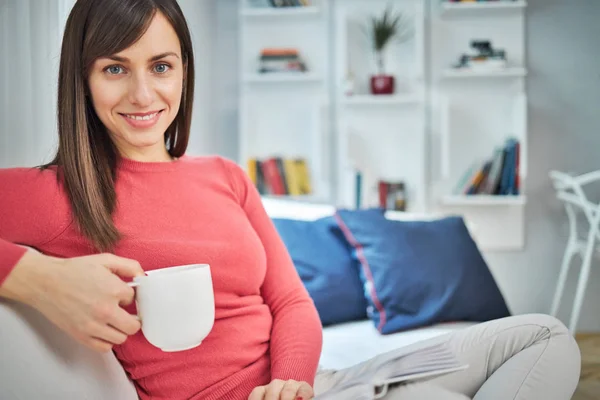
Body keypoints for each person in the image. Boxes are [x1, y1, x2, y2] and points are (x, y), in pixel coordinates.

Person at [0, 1, 581, 399]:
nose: (143, 92)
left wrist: (293, 381)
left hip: (318, 385)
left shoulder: (225, 176)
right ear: (82, 78)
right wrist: (36, 278)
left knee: (543, 339)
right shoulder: (59, 192)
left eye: (160, 65)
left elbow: (292, 302)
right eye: (114, 69)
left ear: (183, 71)